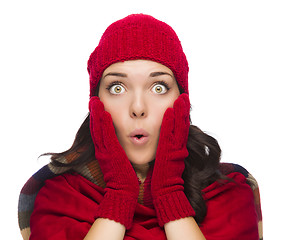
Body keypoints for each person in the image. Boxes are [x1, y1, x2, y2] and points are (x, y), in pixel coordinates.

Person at [18, 14, 263, 240]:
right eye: (117, 88)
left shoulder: (229, 191)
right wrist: (120, 195)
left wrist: (169, 194)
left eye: (159, 87)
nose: (137, 107)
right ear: (96, 105)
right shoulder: (59, 196)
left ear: (182, 102)